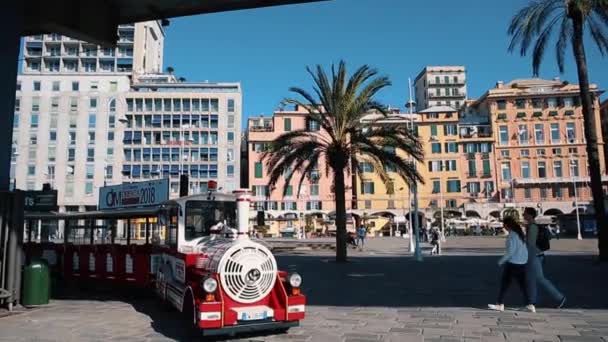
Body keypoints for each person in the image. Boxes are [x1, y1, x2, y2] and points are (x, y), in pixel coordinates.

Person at [488, 217, 535, 313]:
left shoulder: (512, 236)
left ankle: (499, 304)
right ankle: (530, 305)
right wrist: (524, 260)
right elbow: (524, 250)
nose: (502, 226)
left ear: (506, 225)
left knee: (505, 285)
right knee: (523, 285)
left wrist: (500, 262)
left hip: (513, 264)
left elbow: (510, 252)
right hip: (522, 263)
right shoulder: (519, 234)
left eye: (503, 224)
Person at [523, 207, 566, 309]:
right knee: (531, 279)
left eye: (525, 213)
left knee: (540, 278)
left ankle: (559, 297)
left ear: (530, 215)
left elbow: (531, 244)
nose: (523, 215)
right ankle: (531, 302)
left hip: (534, 256)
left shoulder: (532, 227)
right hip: (536, 256)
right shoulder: (531, 226)